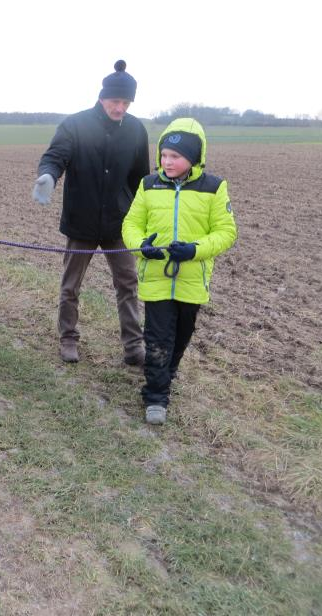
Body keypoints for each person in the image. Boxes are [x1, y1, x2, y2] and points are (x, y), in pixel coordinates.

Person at [33, 60, 150, 365]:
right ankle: (68, 338)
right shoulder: (75, 125)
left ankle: (134, 345)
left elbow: (140, 178)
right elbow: (55, 157)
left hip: (119, 223)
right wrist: (48, 175)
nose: (120, 108)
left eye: (126, 102)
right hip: (81, 221)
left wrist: (148, 212)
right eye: (115, 101)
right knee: (71, 285)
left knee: (127, 283)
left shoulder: (137, 130)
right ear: (102, 97)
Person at [122, 118, 237, 425]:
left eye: (175, 156)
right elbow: (131, 225)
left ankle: (166, 374)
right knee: (158, 337)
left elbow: (226, 232)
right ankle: (156, 396)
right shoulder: (148, 185)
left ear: (194, 158)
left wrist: (194, 250)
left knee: (182, 335)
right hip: (157, 276)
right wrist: (140, 246)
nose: (167, 161)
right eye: (163, 155)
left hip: (191, 280)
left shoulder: (214, 188)